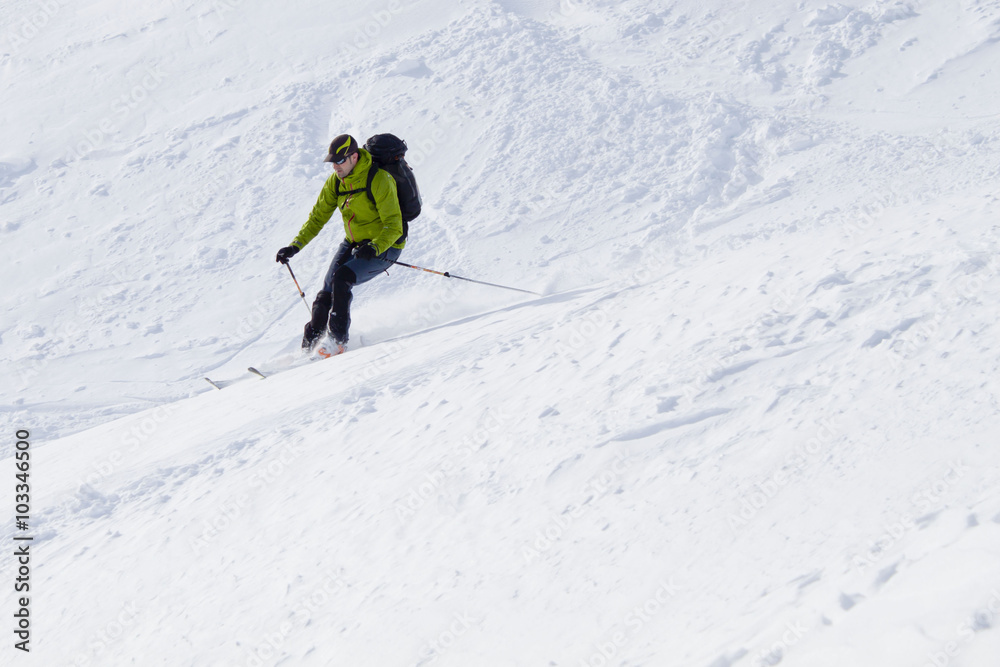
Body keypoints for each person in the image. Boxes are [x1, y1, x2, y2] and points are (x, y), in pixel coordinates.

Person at [275, 134, 404, 356]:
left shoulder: (379, 179)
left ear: (354, 157)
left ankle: (337, 341)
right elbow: (317, 219)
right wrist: (294, 246)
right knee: (325, 294)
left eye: (340, 161)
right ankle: (309, 347)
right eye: (332, 162)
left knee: (342, 279)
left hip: (386, 245)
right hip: (354, 243)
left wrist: (374, 247)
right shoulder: (336, 182)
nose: (335, 166)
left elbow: (394, 226)